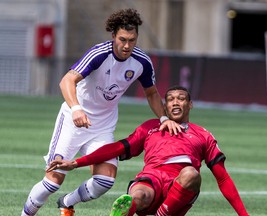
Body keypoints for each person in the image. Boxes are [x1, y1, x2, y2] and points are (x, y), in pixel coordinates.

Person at [21, 8, 182, 216]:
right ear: (113, 35)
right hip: (73, 121)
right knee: (53, 180)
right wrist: (76, 108)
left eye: (132, 40)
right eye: (122, 39)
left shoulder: (142, 62)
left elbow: (151, 93)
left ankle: (67, 202)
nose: (126, 45)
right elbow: (67, 80)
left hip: (103, 126)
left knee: (105, 180)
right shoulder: (99, 53)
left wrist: (163, 118)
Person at [47, 86, 250, 216]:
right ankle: (128, 211)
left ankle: (161, 214)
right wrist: (77, 162)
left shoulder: (203, 135)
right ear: (164, 105)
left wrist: (244, 215)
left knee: (191, 173)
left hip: (178, 190)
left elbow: (223, 179)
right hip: (151, 180)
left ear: (190, 104)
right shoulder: (151, 127)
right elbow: (117, 148)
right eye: (170, 99)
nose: (175, 102)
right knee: (135, 196)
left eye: (181, 98)